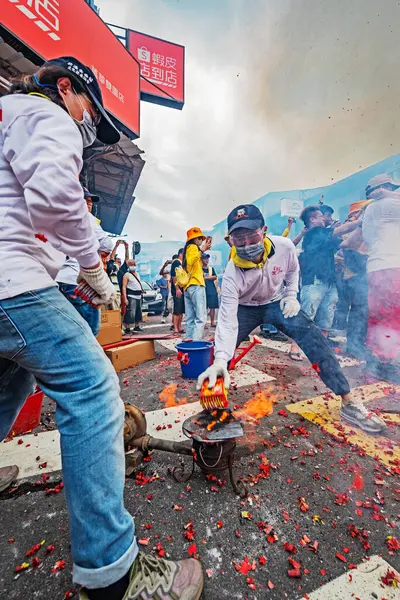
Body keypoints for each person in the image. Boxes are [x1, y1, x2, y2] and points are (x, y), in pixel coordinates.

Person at [0, 56, 203, 600]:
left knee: (10, 382)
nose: (88, 126)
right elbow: (55, 200)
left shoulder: (6, 115)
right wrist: (92, 267)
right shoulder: (46, 115)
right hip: (13, 283)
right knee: (92, 390)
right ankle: (112, 572)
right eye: (89, 110)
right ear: (66, 89)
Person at [197, 204, 386, 435]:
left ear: (264, 231)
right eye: (239, 239)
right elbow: (226, 321)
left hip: (277, 303)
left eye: (251, 235)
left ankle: (349, 401)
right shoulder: (230, 276)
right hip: (246, 308)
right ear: (230, 241)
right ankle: (216, 408)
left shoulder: (284, 247)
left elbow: (292, 270)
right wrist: (220, 360)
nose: (246, 244)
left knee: (315, 339)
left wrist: (290, 295)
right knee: (219, 353)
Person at [289, 205, 360, 360]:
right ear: (312, 219)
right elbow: (341, 231)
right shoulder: (313, 233)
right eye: (321, 216)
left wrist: (360, 229)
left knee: (326, 318)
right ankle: (295, 347)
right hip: (314, 280)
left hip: (329, 281)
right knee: (307, 315)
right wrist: (360, 222)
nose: (325, 218)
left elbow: (346, 244)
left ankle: (322, 350)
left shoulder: (325, 235)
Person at [57, 186, 114, 335]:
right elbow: (107, 244)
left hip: (55, 283)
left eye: (90, 201)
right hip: (77, 283)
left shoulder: (53, 215)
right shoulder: (83, 215)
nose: (89, 204)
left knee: (65, 331)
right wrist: (99, 256)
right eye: (85, 200)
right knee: (89, 332)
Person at [361, 174, 400, 380]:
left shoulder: (371, 208)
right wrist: (388, 194)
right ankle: (384, 362)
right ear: (384, 187)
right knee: (391, 316)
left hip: (378, 266)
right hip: (391, 265)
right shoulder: (386, 203)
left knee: (380, 314)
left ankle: (377, 360)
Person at [339, 202, 370, 359]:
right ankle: (354, 345)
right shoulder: (349, 227)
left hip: (366, 275)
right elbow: (351, 246)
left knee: (365, 311)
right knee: (359, 310)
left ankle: (360, 343)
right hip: (354, 276)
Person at [181, 228, 211, 340]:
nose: (201, 240)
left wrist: (203, 249)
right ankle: (196, 342)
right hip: (196, 285)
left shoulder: (188, 249)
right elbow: (191, 260)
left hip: (189, 286)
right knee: (201, 317)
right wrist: (202, 249)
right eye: (199, 238)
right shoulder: (193, 248)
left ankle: (189, 340)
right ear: (194, 239)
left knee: (190, 318)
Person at [122, 260, 144, 334]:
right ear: (128, 265)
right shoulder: (126, 275)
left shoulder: (137, 274)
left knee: (138, 312)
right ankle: (127, 328)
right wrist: (125, 298)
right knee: (130, 312)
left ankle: (137, 326)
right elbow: (124, 287)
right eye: (131, 264)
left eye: (134, 264)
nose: (133, 265)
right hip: (131, 296)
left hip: (138, 296)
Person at [170, 248, 185, 335]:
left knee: (181, 309)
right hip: (177, 289)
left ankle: (179, 327)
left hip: (182, 289)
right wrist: (177, 288)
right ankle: (175, 327)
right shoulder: (176, 262)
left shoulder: (182, 264)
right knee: (177, 309)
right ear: (181, 254)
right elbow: (173, 275)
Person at [202, 253, 219, 327]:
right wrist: (210, 277)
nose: (206, 260)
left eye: (207, 258)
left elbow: (215, 277)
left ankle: (212, 322)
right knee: (203, 308)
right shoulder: (199, 269)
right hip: (203, 289)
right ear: (201, 260)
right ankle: (204, 323)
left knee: (212, 307)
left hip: (211, 289)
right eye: (205, 258)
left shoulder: (211, 269)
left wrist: (206, 278)